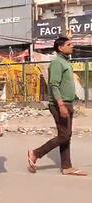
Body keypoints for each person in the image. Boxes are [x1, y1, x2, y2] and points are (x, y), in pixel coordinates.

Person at [27, 37, 87, 176]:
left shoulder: (65, 62)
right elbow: (53, 85)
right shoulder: (57, 63)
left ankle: (66, 167)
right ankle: (35, 153)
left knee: (66, 135)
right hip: (59, 104)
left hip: (67, 102)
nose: (72, 46)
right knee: (64, 135)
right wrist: (61, 104)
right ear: (60, 48)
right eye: (69, 44)